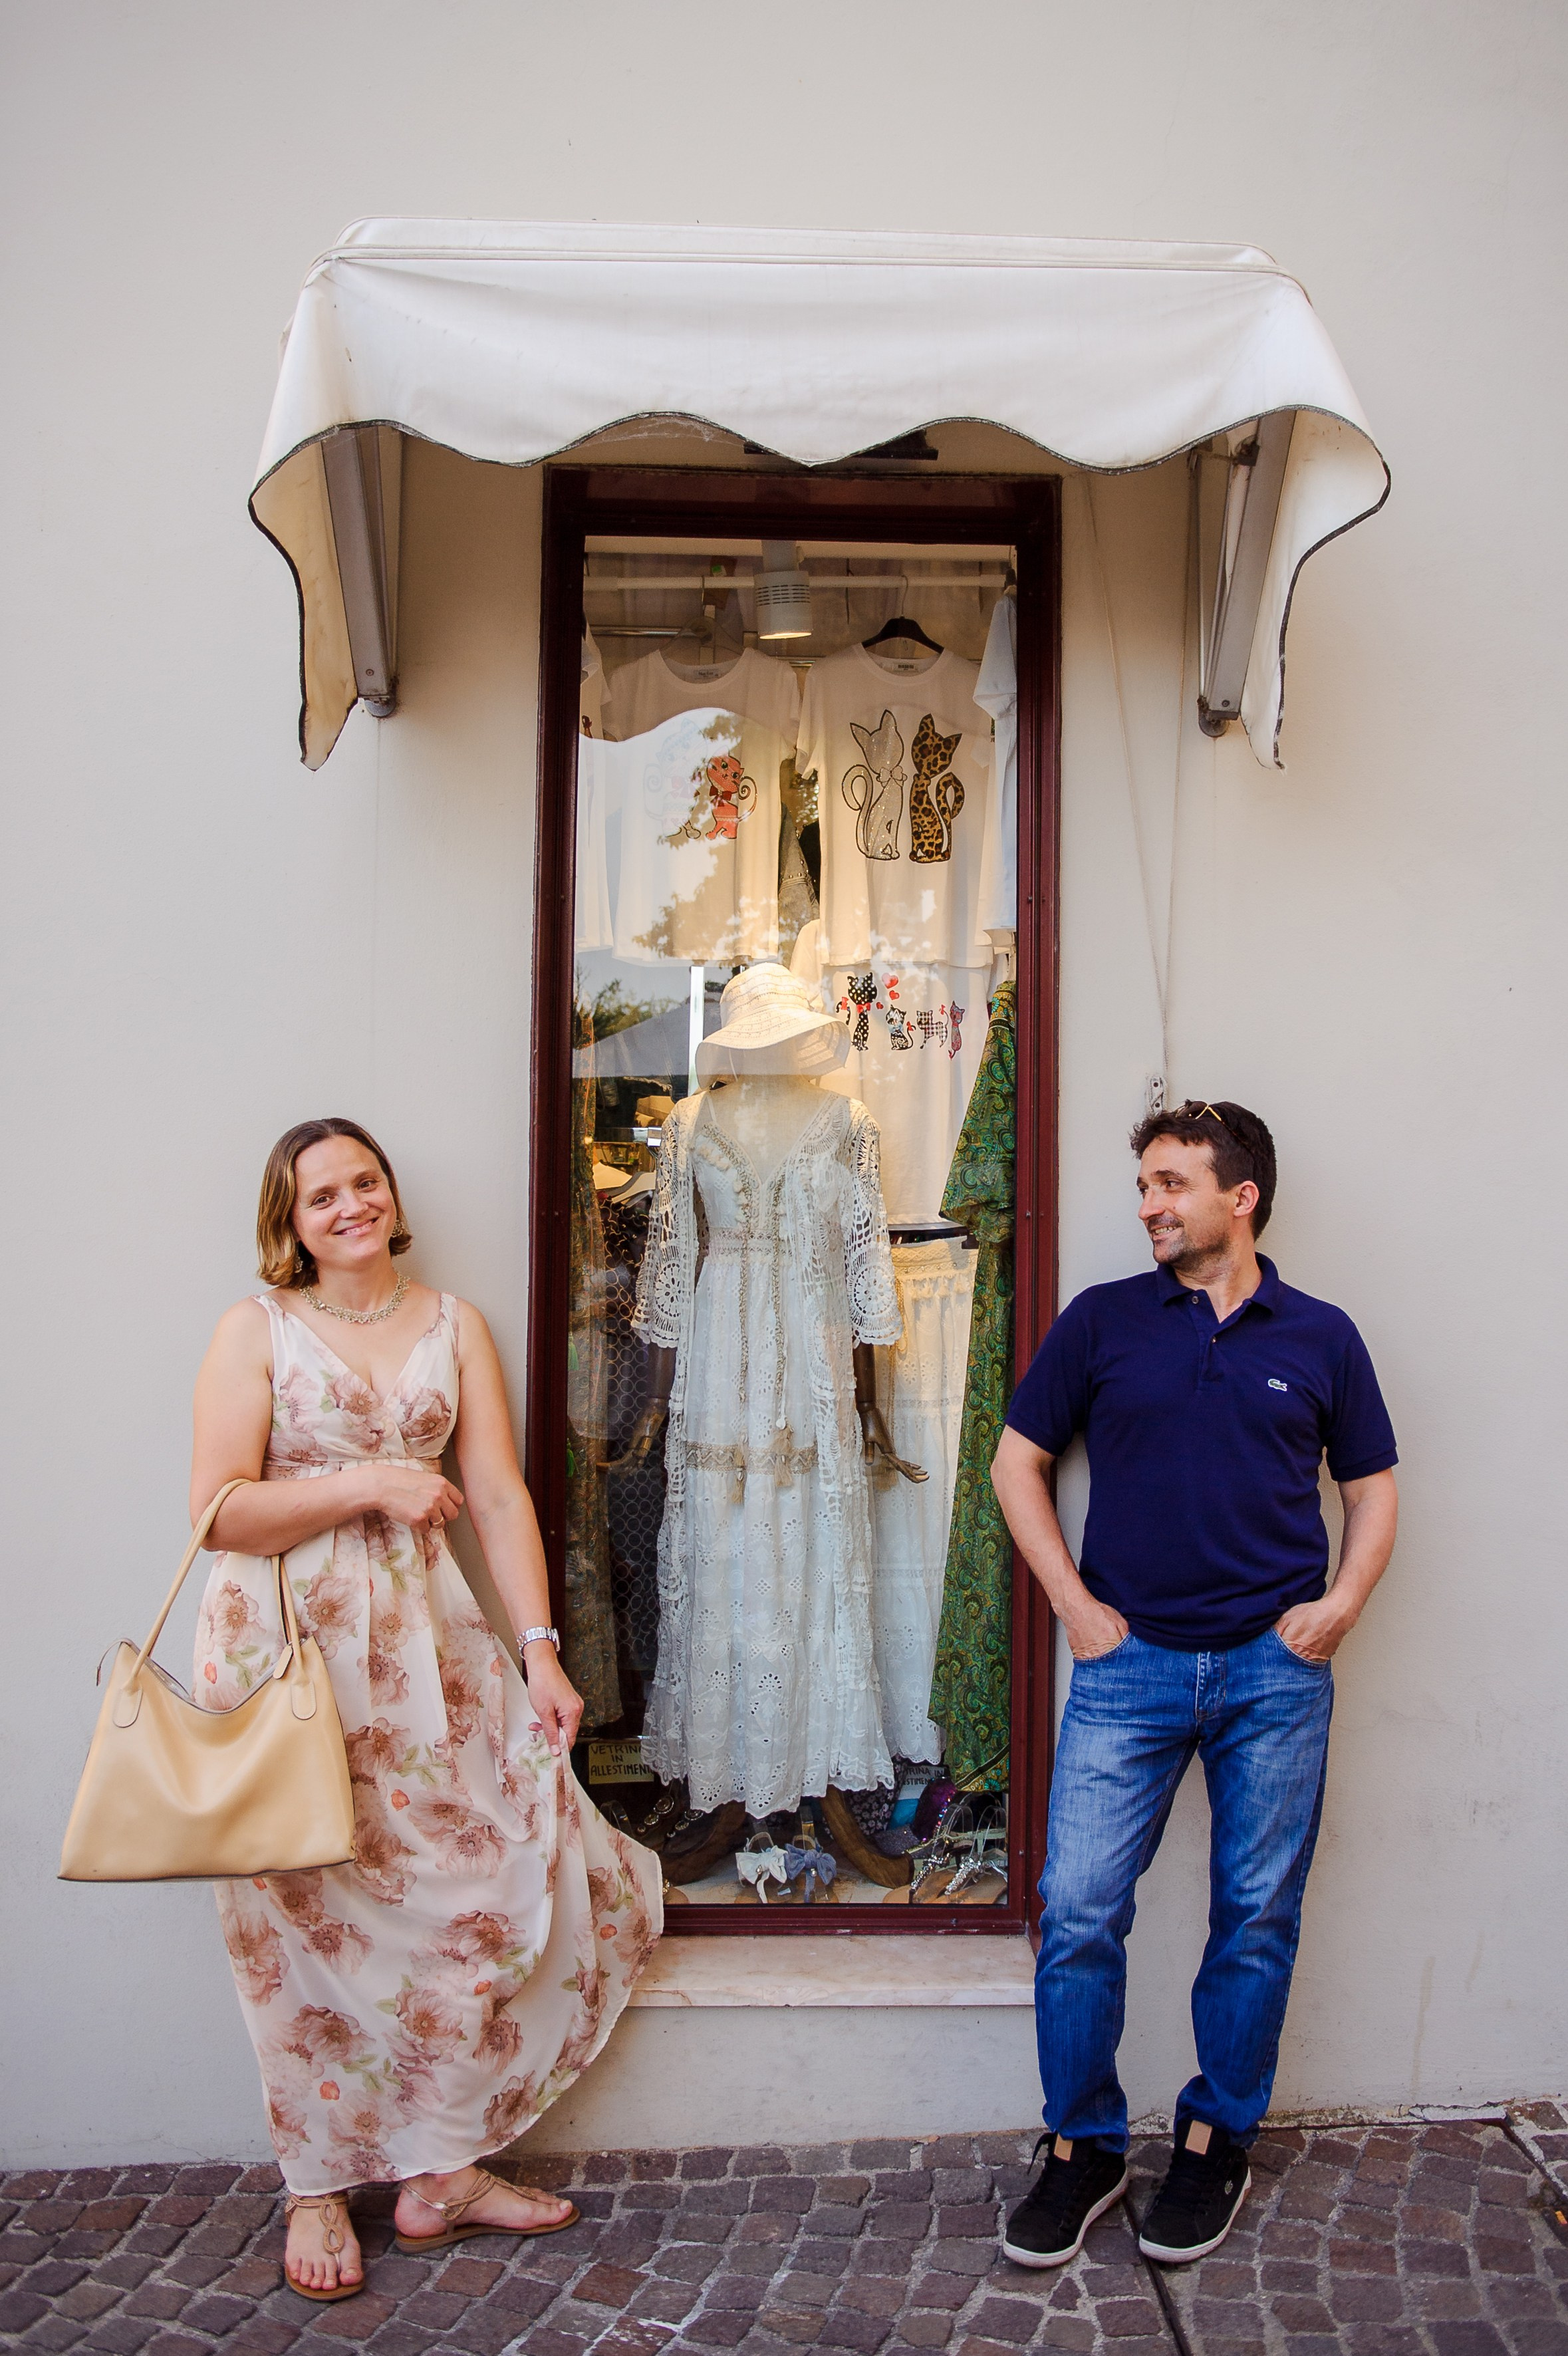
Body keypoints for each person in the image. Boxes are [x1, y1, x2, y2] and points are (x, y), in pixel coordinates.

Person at [190, 1118, 661, 2302]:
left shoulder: (455, 1325)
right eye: (321, 1196)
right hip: (284, 1652)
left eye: (365, 1182)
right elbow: (216, 1511)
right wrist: (370, 1484)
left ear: (392, 1196)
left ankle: (439, 2174)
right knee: (299, 1917)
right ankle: (314, 2184)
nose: (349, 1205)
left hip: (426, 1648)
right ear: (291, 1223)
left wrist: (541, 1653)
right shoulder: (255, 1328)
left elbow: (497, 1496)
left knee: (487, 1884)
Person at [992, 1101, 1397, 2269]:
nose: (1148, 1206)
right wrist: (1075, 1607)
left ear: (1240, 1196)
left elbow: (1370, 1486)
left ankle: (1216, 2138)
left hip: (1275, 1674)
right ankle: (1083, 2147)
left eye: (1170, 1184)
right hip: (1129, 1670)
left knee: (1255, 1917)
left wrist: (1339, 1607)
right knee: (1077, 1911)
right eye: (1144, 1186)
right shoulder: (1102, 1320)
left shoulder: (1320, 1336)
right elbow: (1017, 1463)